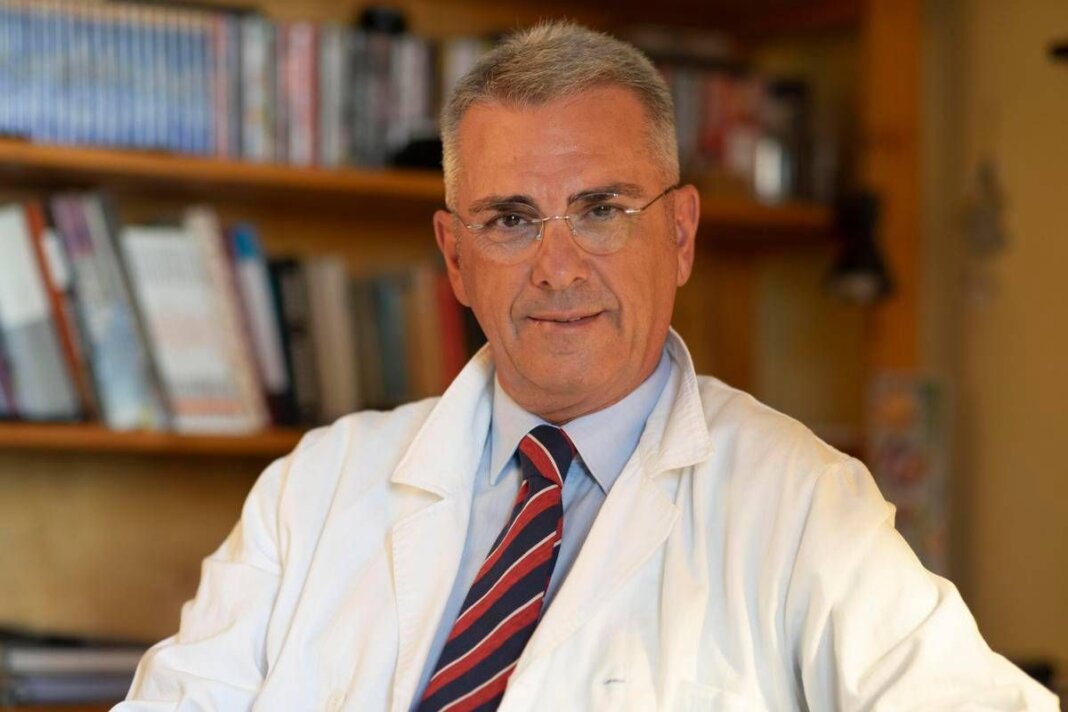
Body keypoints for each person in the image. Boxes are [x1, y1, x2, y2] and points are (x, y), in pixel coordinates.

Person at [118, 22, 1058, 711]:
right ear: (455, 256)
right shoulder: (311, 492)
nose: (558, 268)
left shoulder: (804, 505)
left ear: (680, 234)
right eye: (510, 219)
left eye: (603, 210)